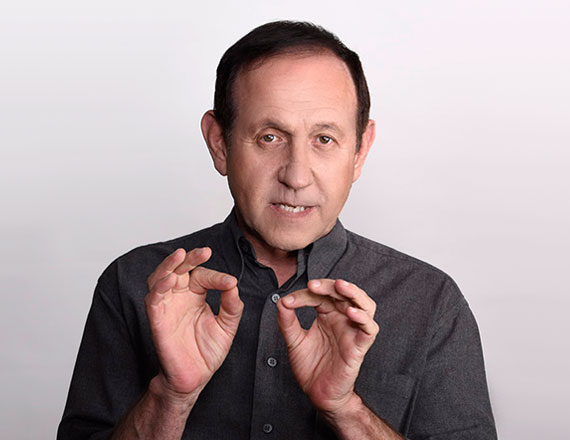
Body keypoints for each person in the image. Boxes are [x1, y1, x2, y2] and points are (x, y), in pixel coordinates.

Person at [58, 21, 497, 439]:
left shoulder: (431, 301)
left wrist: (346, 409)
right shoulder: (134, 284)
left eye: (324, 139)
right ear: (219, 143)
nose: (297, 176)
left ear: (360, 151)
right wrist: (171, 395)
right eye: (270, 137)